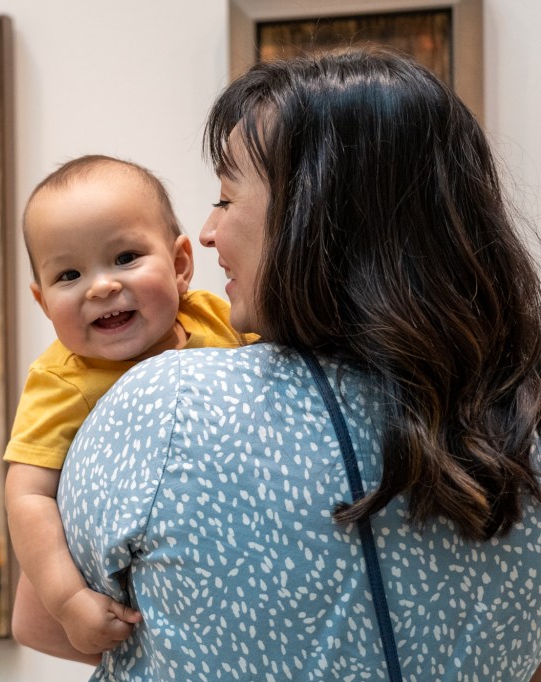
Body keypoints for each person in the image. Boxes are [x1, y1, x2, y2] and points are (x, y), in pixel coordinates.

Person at [27, 48, 541, 679]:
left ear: (313, 214)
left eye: (224, 197)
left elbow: (41, 622)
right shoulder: (518, 411)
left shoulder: (166, 403)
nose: (209, 232)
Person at [4, 155, 252, 657]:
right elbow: (28, 495)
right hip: (152, 604)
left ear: (181, 265)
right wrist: (69, 599)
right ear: (43, 301)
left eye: (125, 259)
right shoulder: (63, 380)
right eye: (69, 274)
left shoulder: (217, 318)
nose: (101, 286)